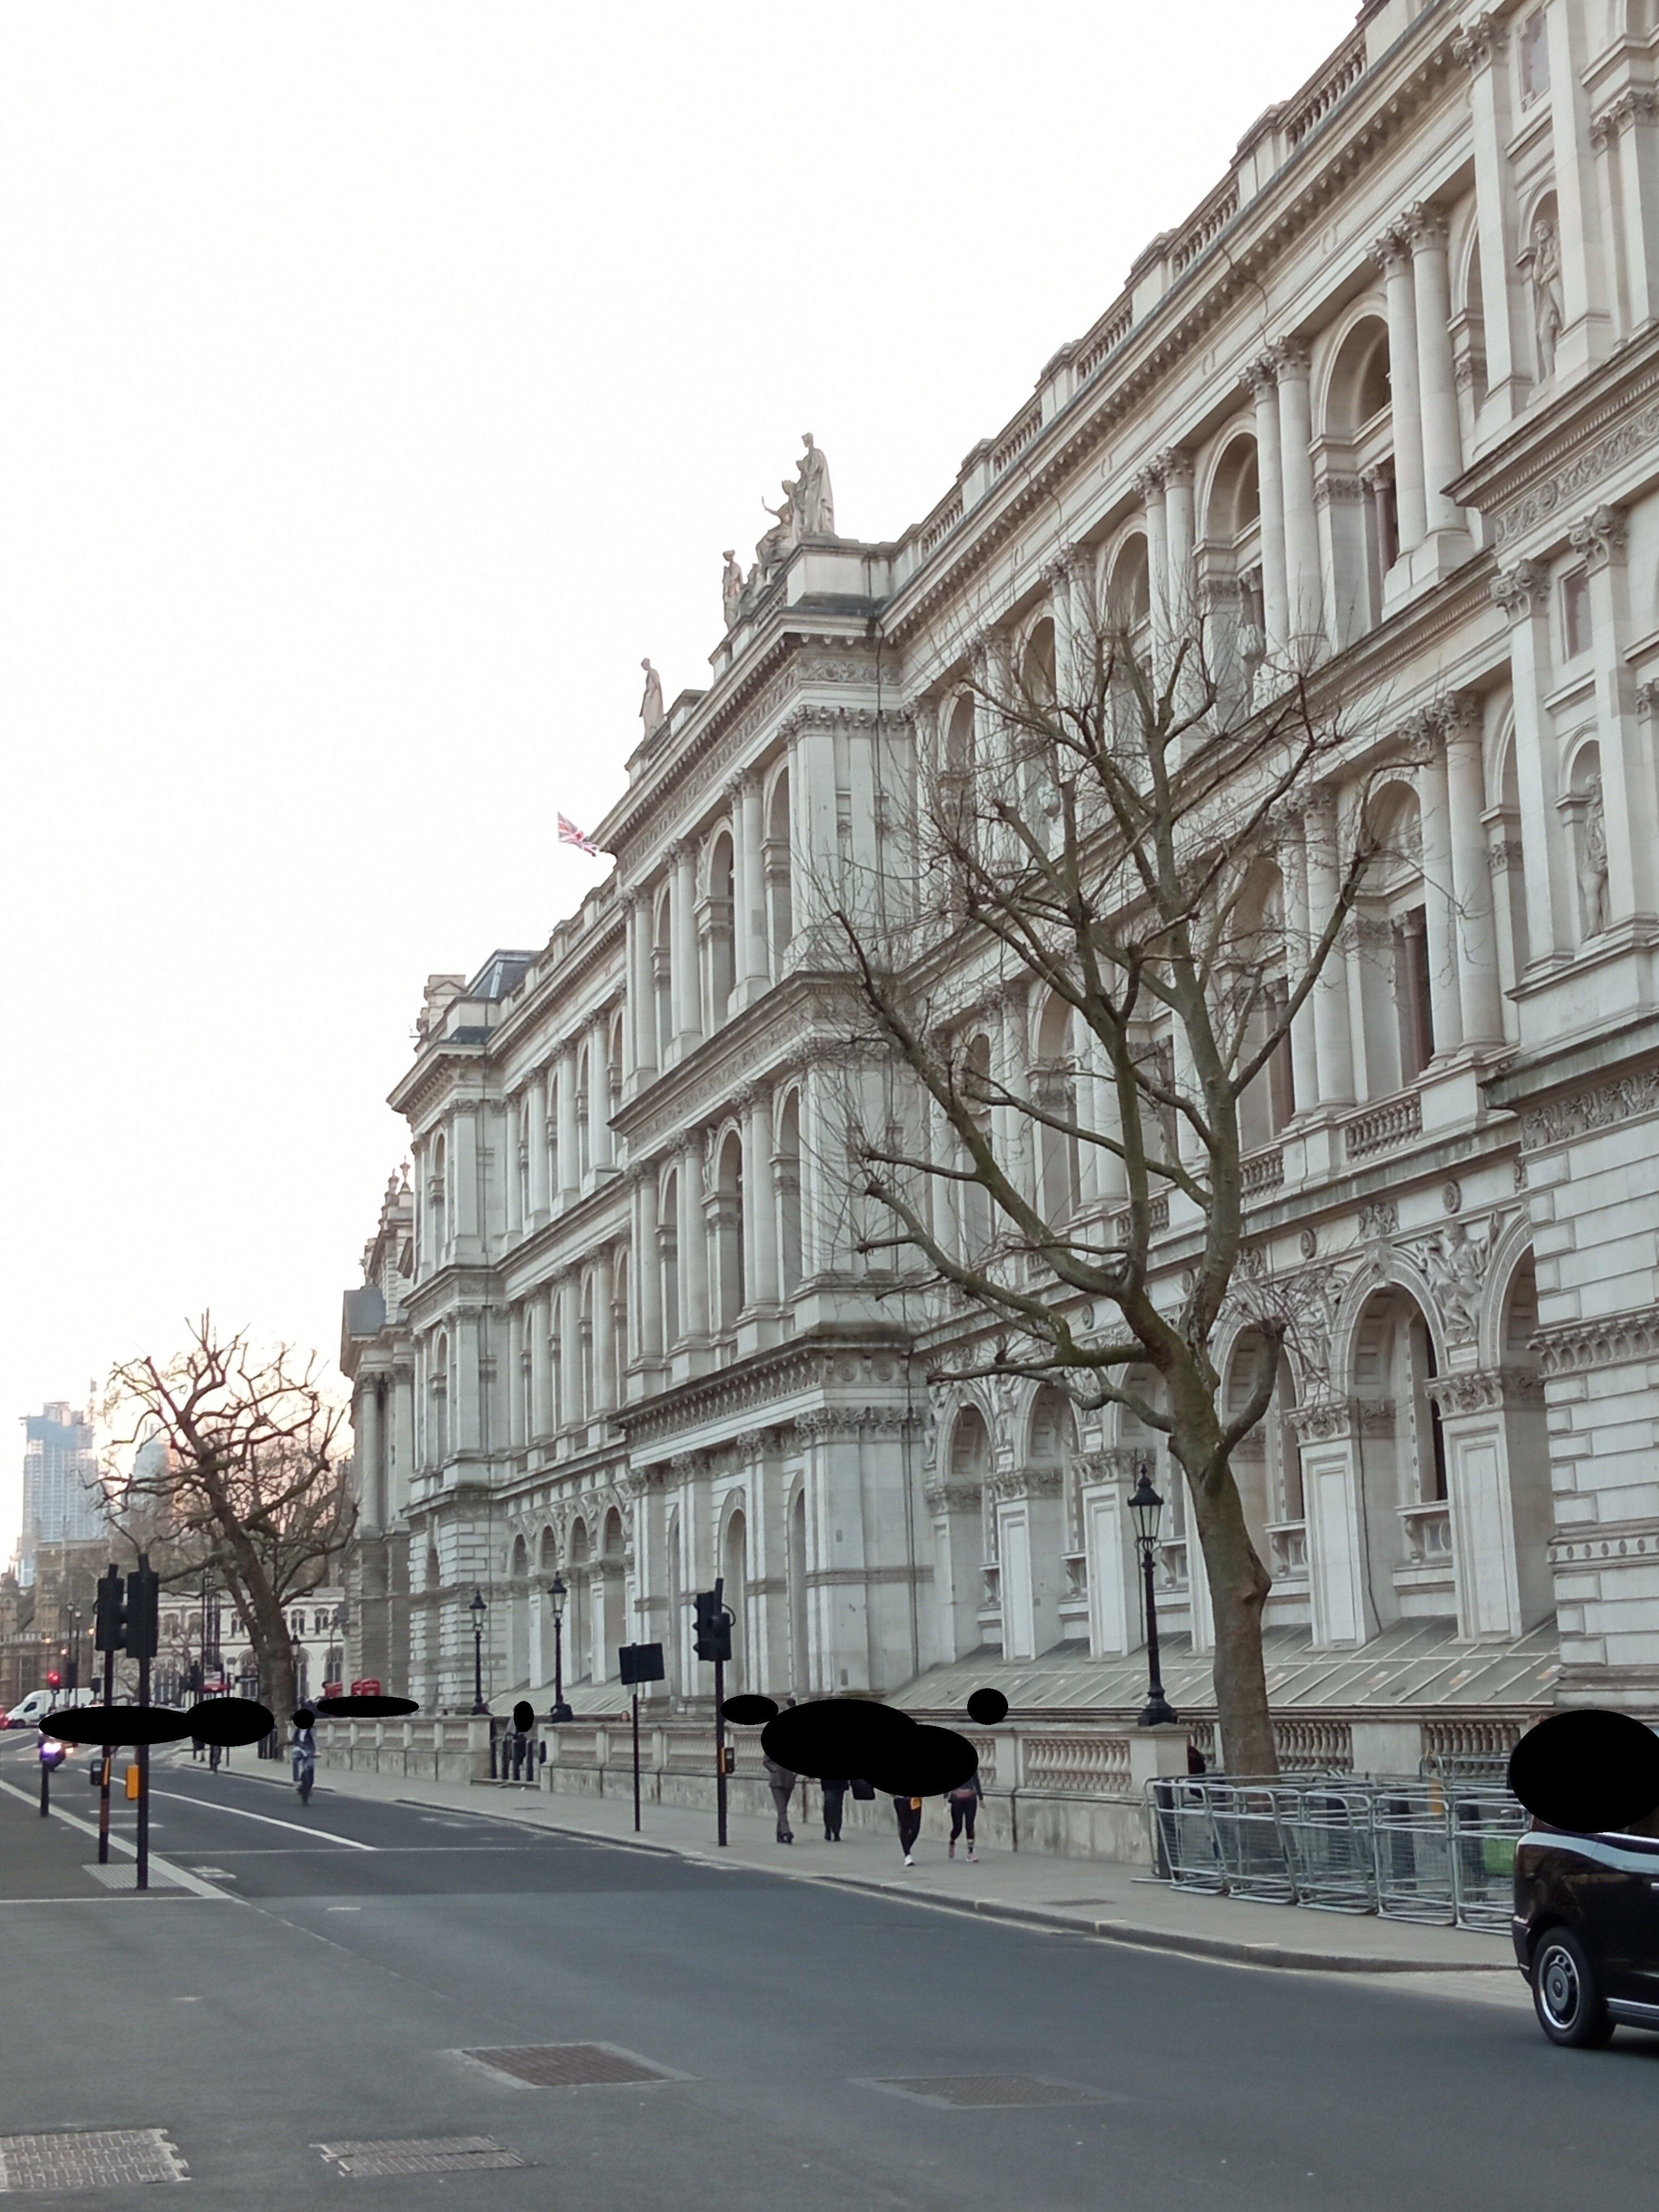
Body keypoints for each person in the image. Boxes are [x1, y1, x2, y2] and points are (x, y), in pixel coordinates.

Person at [947, 1769, 983, 1861]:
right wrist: (946, 1800)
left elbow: (976, 1780)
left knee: (970, 1825)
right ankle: (952, 1841)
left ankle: (971, 1852)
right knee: (958, 1827)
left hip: (971, 1799)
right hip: (957, 1800)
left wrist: (981, 1798)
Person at [763, 1750, 797, 1844]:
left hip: (789, 1781)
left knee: (783, 1808)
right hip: (777, 1782)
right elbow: (766, 1762)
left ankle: (780, 1833)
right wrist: (776, 1770)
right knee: (782, 1809)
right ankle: (786, 1832)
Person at [291, 1712, 317, 1805]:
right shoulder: (297, 1731)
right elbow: (294, 1741)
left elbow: (316, 1741)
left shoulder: (312, 1730)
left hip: (309, 1750)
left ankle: (310, 1786)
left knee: (309, 1768)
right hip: (299, 1749)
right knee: (295, 1760)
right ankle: (296, 1781)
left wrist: (317, 1750)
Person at [893, 1792, 923, 1865]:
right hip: (901, 1800)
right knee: (904, 1827)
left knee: (916, 1828)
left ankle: (906, 1848)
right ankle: (907, 1855)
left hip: (915, 1800)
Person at [820, 1776, 848, 1842]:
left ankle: (836, 1831)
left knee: (837, 1807)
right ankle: (829, 1828)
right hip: (828, 1783)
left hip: (840, 1784)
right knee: (829, 1806)